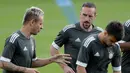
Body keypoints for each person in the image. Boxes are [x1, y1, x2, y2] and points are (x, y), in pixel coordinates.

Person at [0, 6, 71, 73]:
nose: (42, 27)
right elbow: (3, 63)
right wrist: (25, 70)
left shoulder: (32, 40)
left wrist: (53, 59)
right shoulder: (14, 39)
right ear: (32, 22)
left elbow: (33, 62)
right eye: (40, 24)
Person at [50, 2, 103, 73]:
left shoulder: (100, 33)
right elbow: (53, 48)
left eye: (90, 16)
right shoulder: (69, 30)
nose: (87, 19)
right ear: (80, 14)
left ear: (95, 16)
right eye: (84, 15)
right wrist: (64, 66)